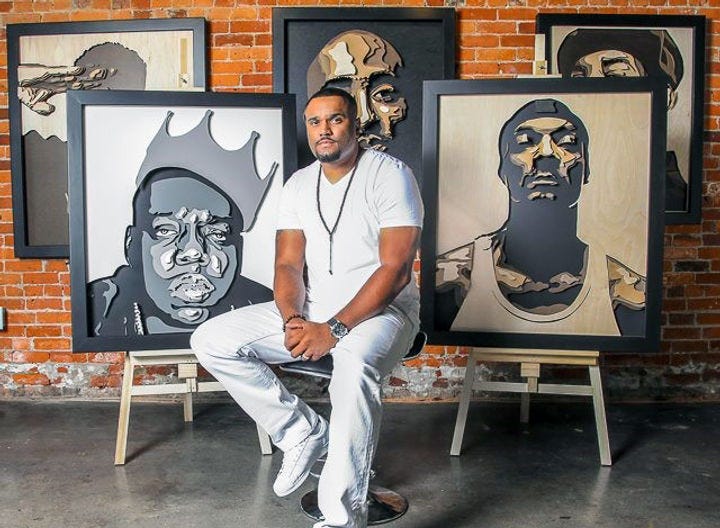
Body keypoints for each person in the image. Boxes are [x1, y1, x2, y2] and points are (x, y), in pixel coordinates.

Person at [190, 86, 423, 528]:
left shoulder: (390, 175)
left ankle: (340, 517)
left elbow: (395, 270)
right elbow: (288, 263)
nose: (324, 130)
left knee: (353, 366)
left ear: (355, 124)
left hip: (383, 314)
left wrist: (334, 329)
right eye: (314, 122)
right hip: (313, 311)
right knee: (212, 339)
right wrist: (294, 318)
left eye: (334, 119)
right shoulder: (298, 185)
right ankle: (301, 431)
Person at [436, 98, 646, 336]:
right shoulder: (451, 277)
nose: (547, 153)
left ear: (586, 169)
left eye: (566, 142)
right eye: (525, 142)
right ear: (502, 169)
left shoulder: (626, 292)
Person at [89, 111, 274, 336]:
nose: (194, 251)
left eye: (216, 234)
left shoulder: (264, 310)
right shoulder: (99, 308)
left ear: (239, 251)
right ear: (132, 245)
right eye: (167, 230)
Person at [556, 28, 686, 210]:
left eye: (615, 77)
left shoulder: (672, 196)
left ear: (665, 98)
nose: (592, 93)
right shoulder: (561, 183)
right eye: (580, 79)